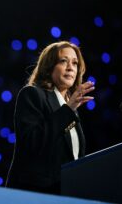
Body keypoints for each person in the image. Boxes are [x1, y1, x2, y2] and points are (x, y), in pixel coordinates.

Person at [5, 41, 94, 195]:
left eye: (75, 63)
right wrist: (68, 110)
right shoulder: (32, 94)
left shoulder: (70, 107)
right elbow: (32, 142)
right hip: (35, 194)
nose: (70, 67)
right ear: (49, 66)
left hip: (66, 193)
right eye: (63, 61)